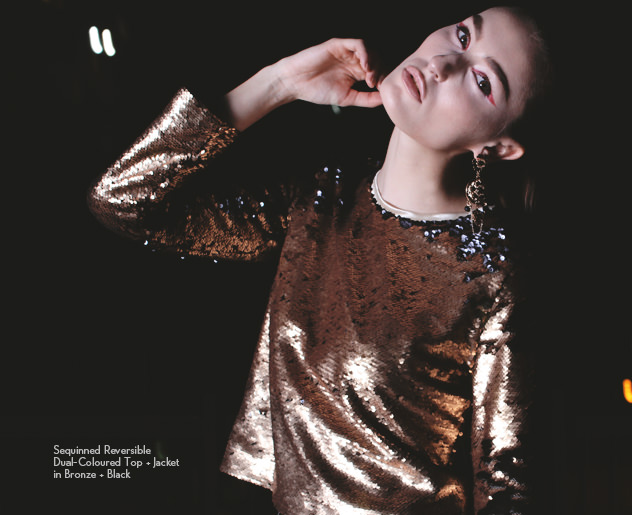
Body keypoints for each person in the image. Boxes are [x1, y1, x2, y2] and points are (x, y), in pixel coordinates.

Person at [88, 6, 551, 514]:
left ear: (498, 146)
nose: (443, 65)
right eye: (462, 34)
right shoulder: (320, 204)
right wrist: (278, 83)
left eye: (483, 82)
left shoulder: (491, 273)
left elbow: (511, 492)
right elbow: (124, 202)